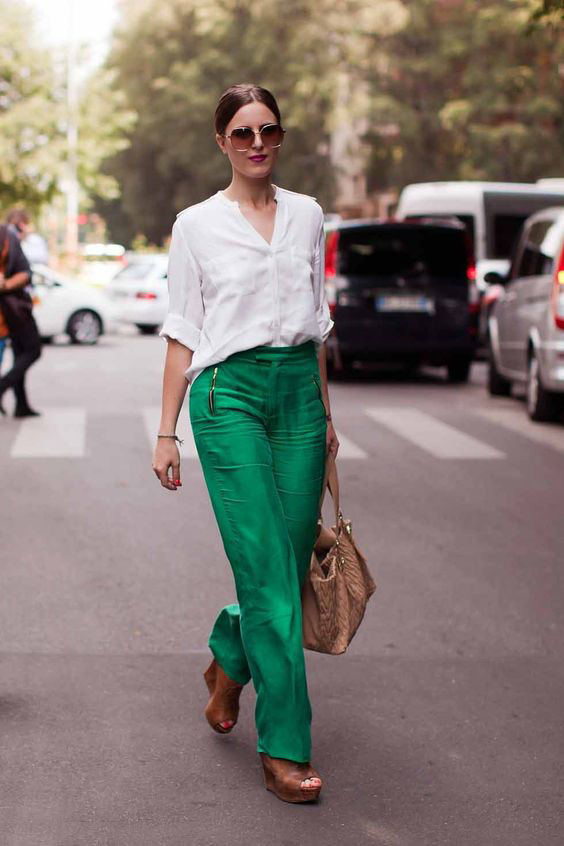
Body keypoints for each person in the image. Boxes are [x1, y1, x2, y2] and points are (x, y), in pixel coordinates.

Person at [152, 83, 339, 804]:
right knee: (266, 573)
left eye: (269, 130)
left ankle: (230, 657)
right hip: (228, 398)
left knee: (284, 576)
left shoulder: (308, 216)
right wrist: (166, 432)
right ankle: (285, 747)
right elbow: (182, 331)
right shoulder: (196, 225)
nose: (257, 143)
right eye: (242, 133)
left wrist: (327, 418)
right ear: (221, 141)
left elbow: (316, 321)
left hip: (298, 396)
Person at [0, 223, 42, 417]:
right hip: (14, 308)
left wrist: (5, 283)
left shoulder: (9, 238)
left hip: (11, 309)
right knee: (33, 349)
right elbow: (25, 273)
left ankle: (21, 405)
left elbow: (25, 272)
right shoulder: (9, 237)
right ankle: (3, 386)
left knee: (20, 352)